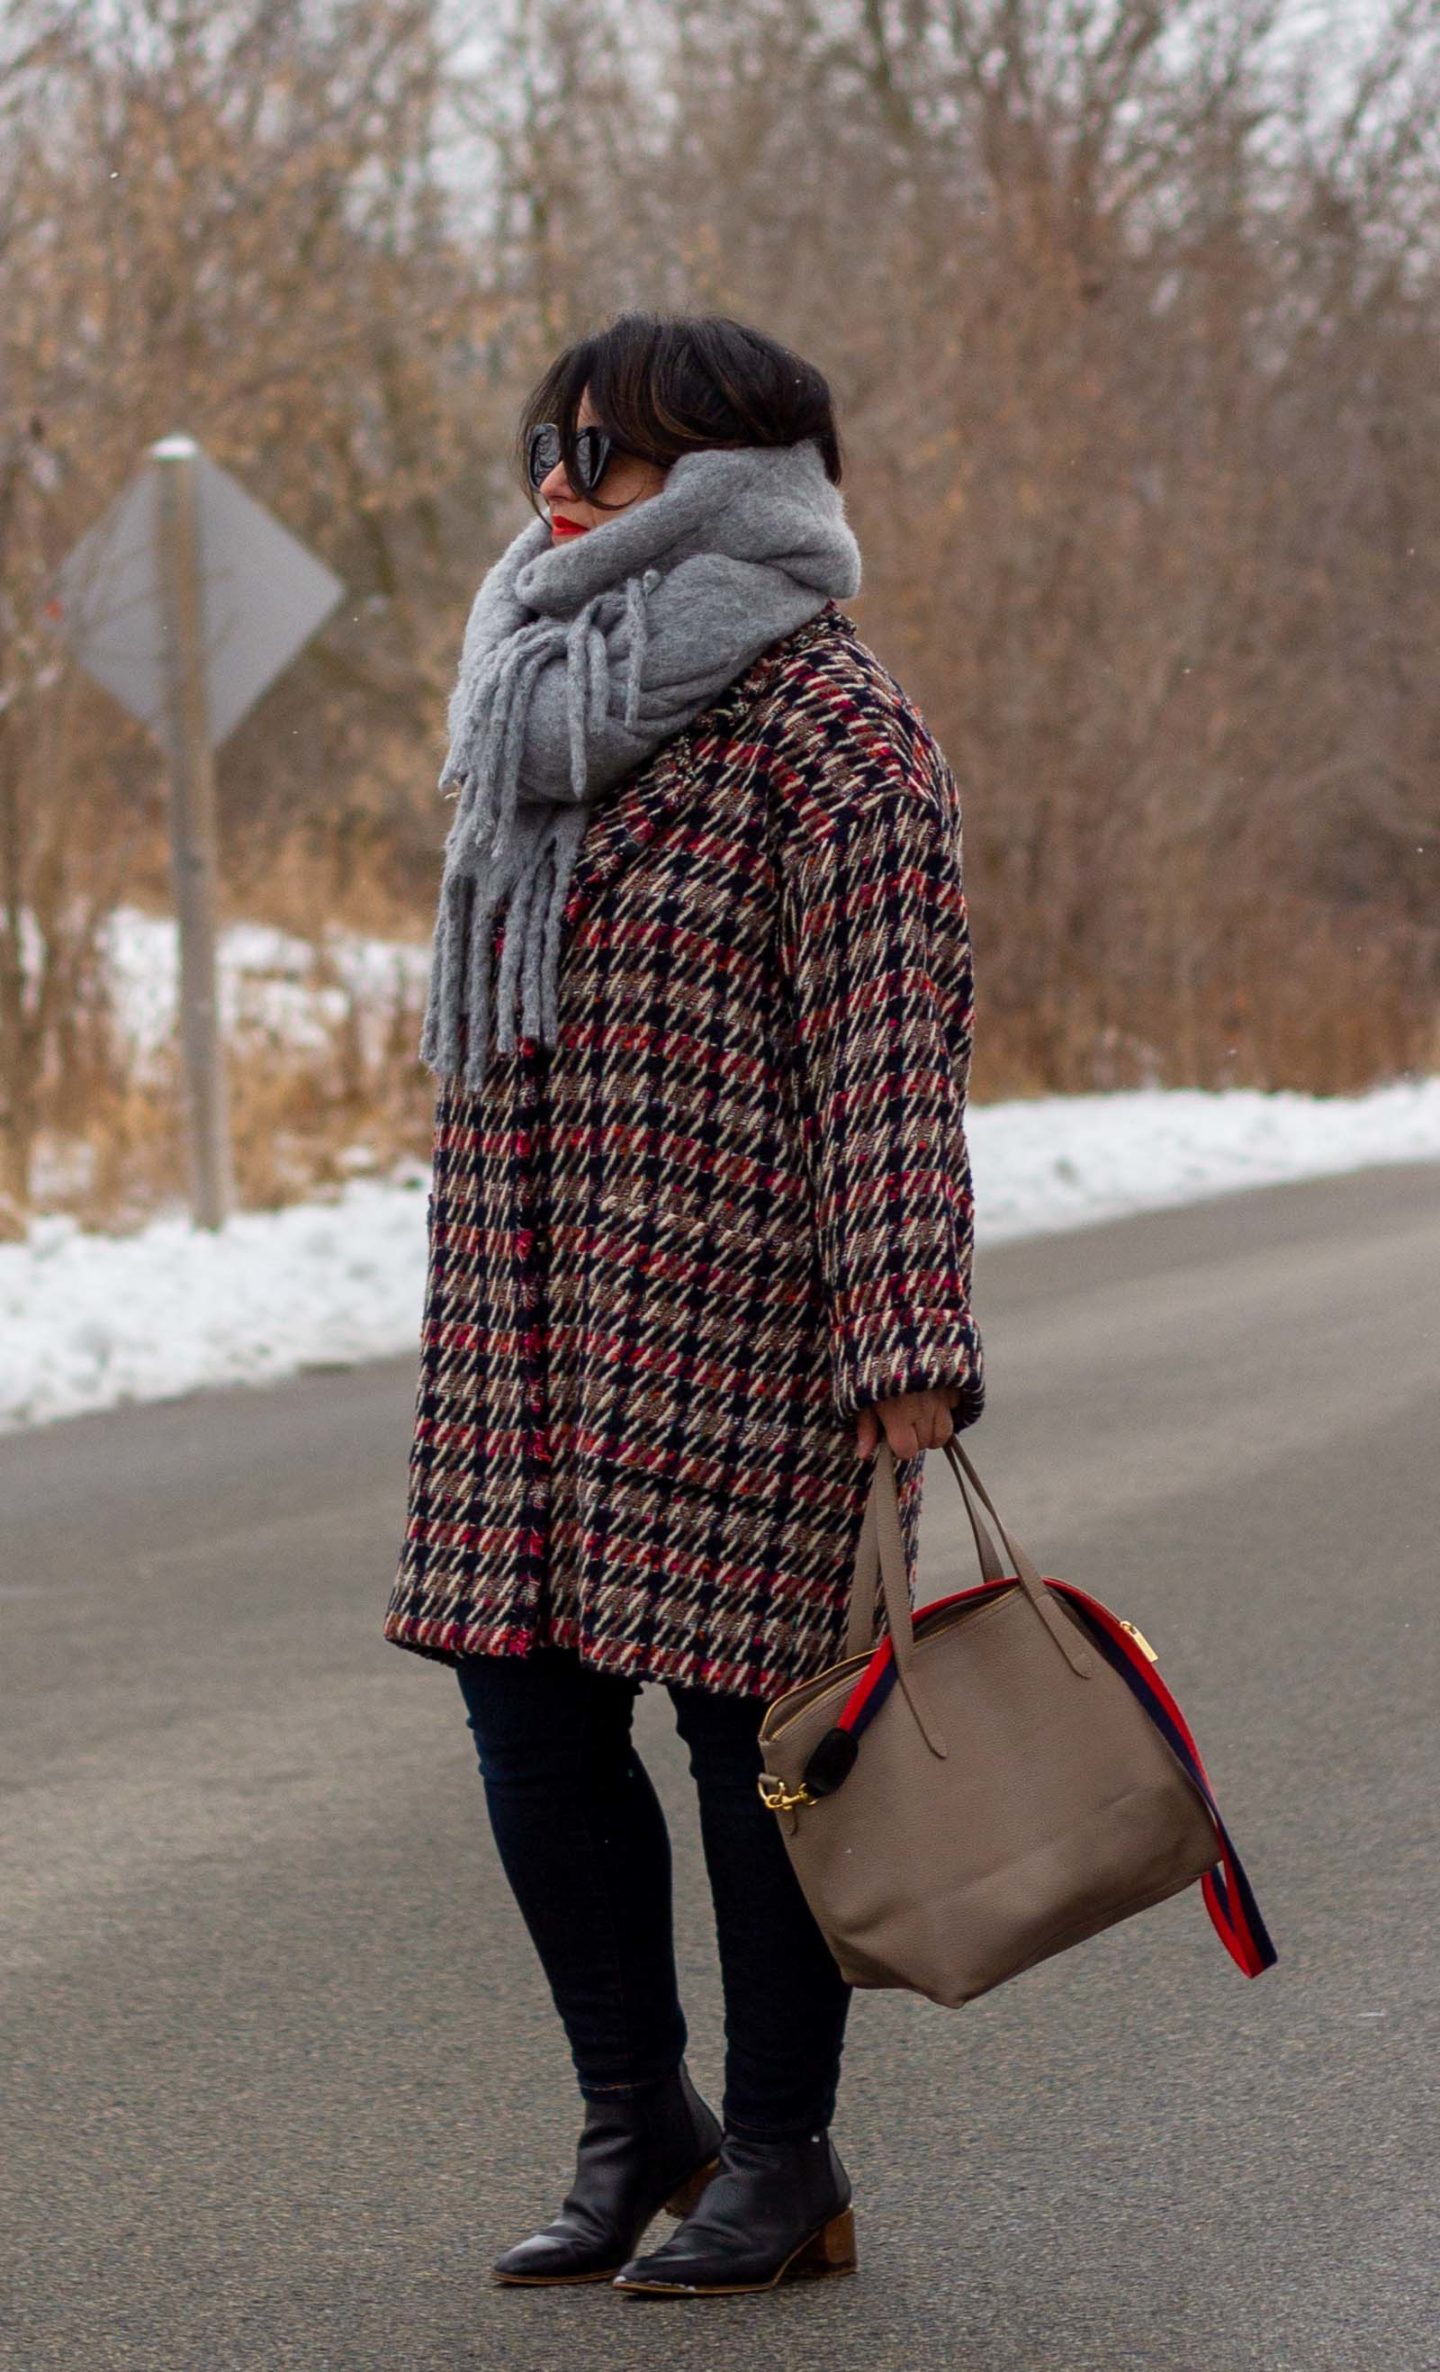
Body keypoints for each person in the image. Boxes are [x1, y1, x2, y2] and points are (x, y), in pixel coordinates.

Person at [383, 310, 985, 2298]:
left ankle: (789, 2153)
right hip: (528, 1316)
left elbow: (889, 1059)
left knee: (761, 1746)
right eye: (556, 443)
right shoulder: (528, 687)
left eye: (615, 456)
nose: (565, 483)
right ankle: (636, 2116)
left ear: (733, 481)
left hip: (746, 1321)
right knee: (523, 1705)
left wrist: (904, 1353)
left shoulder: (837, 734)